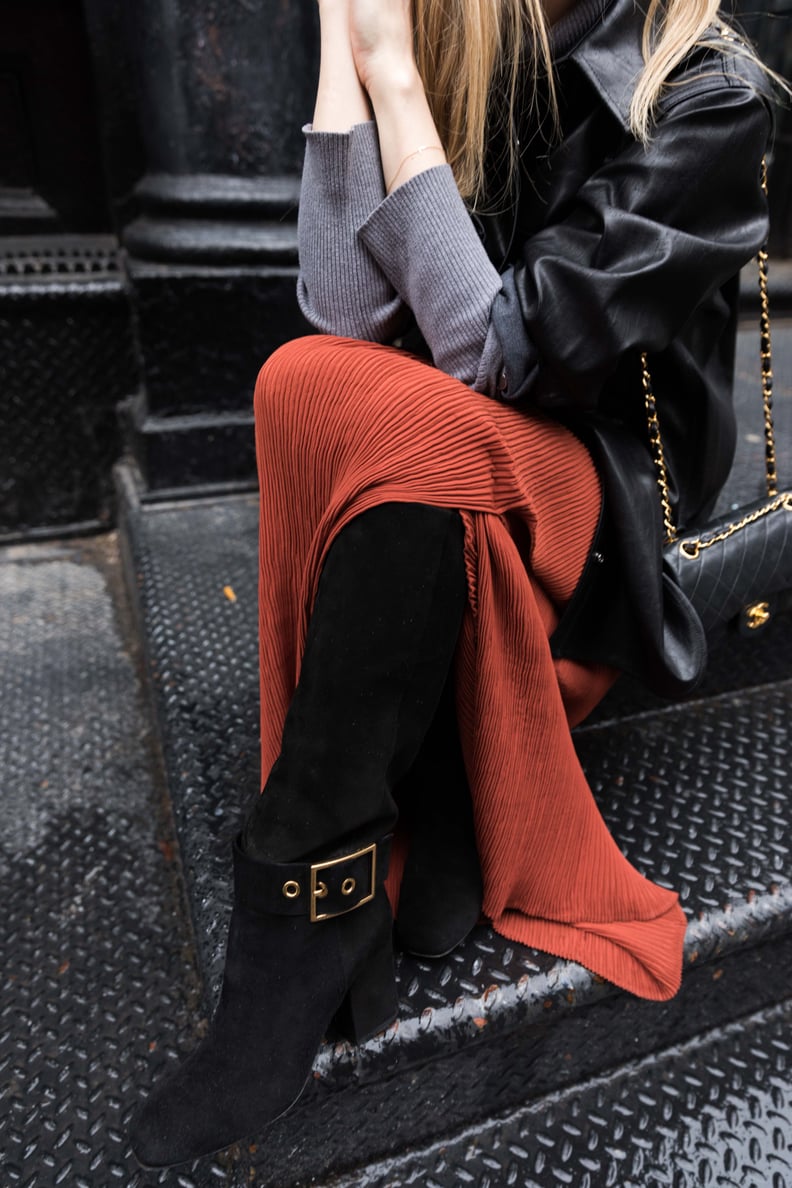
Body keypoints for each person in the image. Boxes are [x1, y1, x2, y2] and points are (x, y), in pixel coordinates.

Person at [130, 0, 775, 1168]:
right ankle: (432, 800)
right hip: (458, 461)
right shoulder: (481, 40)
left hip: (600, 498)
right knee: (299, 381)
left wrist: (396, 74)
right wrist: (345, 45)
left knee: (404, 424)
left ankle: (304, 904)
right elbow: (339, 311)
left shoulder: (705, 93)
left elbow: (505, 352)